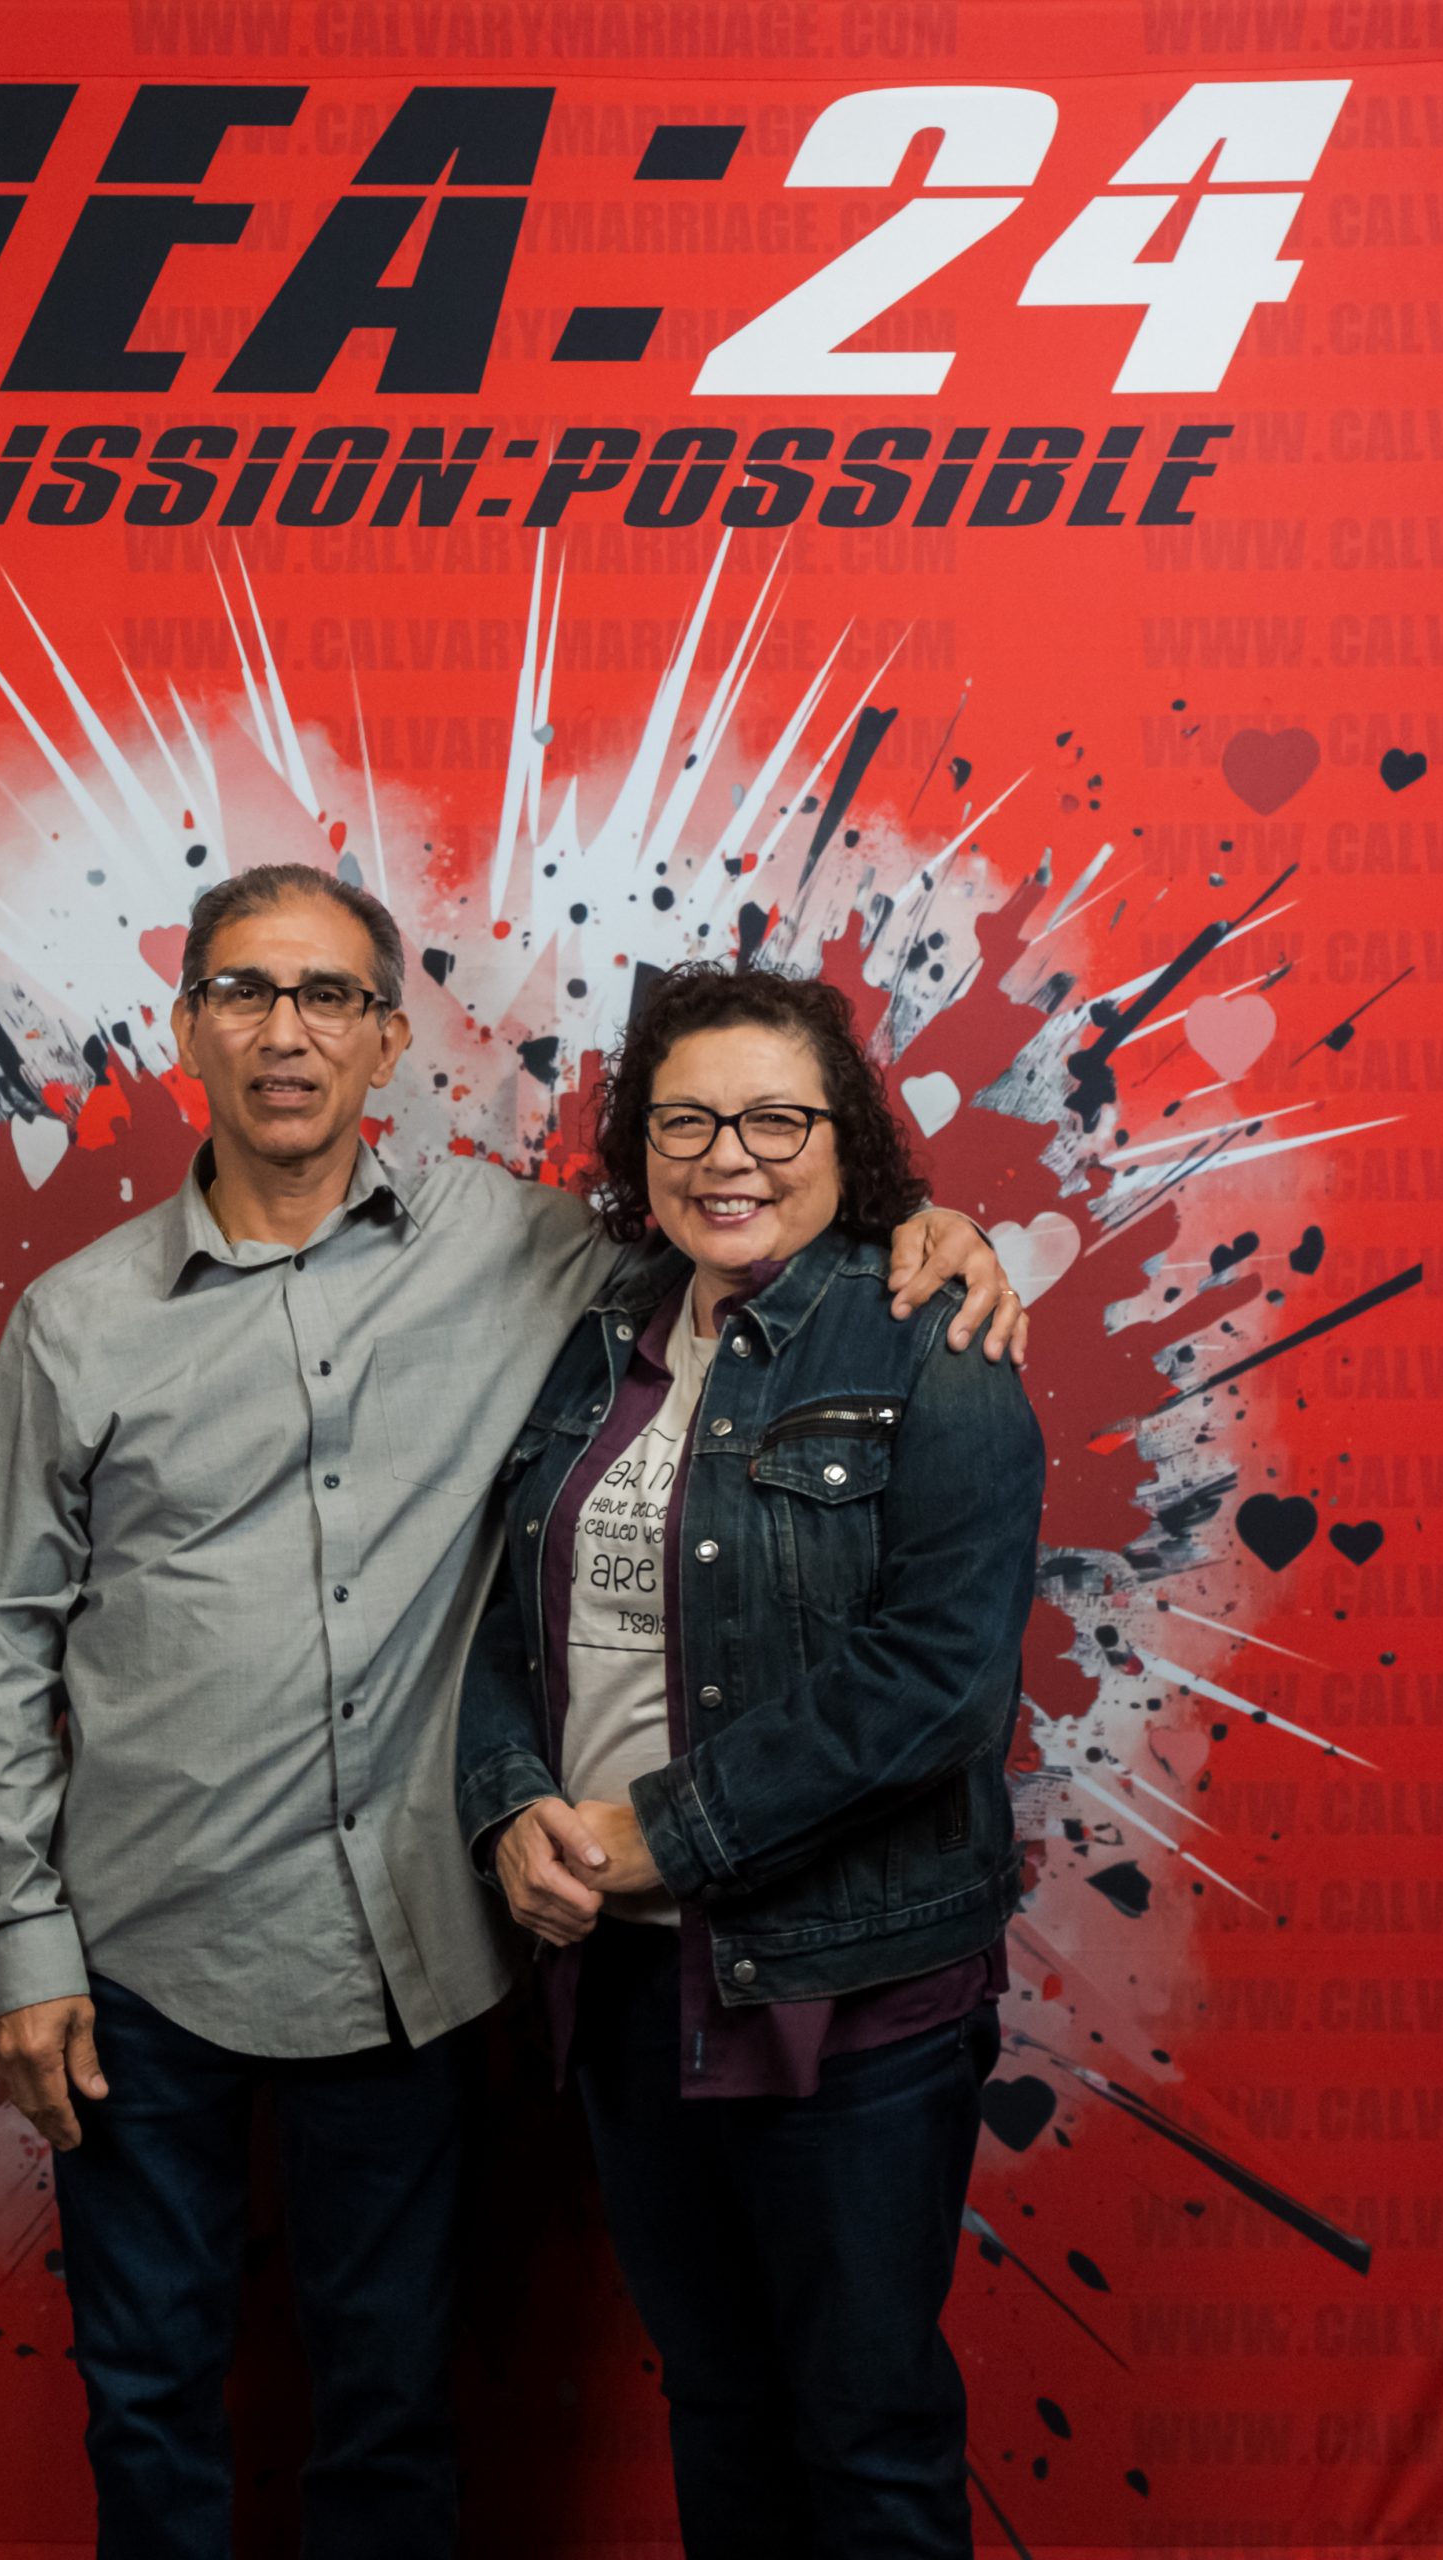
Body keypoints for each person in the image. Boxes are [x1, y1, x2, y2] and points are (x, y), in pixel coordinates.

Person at [0, 865, 1027, 2560]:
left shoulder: (530, 1252)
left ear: (387, 1042)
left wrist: (933, 1231)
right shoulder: (77, 1323)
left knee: (395, 2411)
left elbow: (758, 1212)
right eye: (245, 992)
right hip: (147, 1950)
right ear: (186, 1028)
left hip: (405, 1957)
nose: (286, 1032)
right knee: (146, 2401)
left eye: (330, 997)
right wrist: (19, 1938)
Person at [457, 959, 1045, 2560]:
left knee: (865, 2435)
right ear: (638, 1148)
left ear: (847, 1138)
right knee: (718, 2407)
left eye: (778, 1119)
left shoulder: (935, 1342)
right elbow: (507, 1627)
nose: (731, 1156)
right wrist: (512, 1810)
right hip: (628, 1989)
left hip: (848, 1991)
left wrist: (664, 1834)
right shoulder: (598, 1341)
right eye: (688, 1121)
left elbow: (937, 1688)